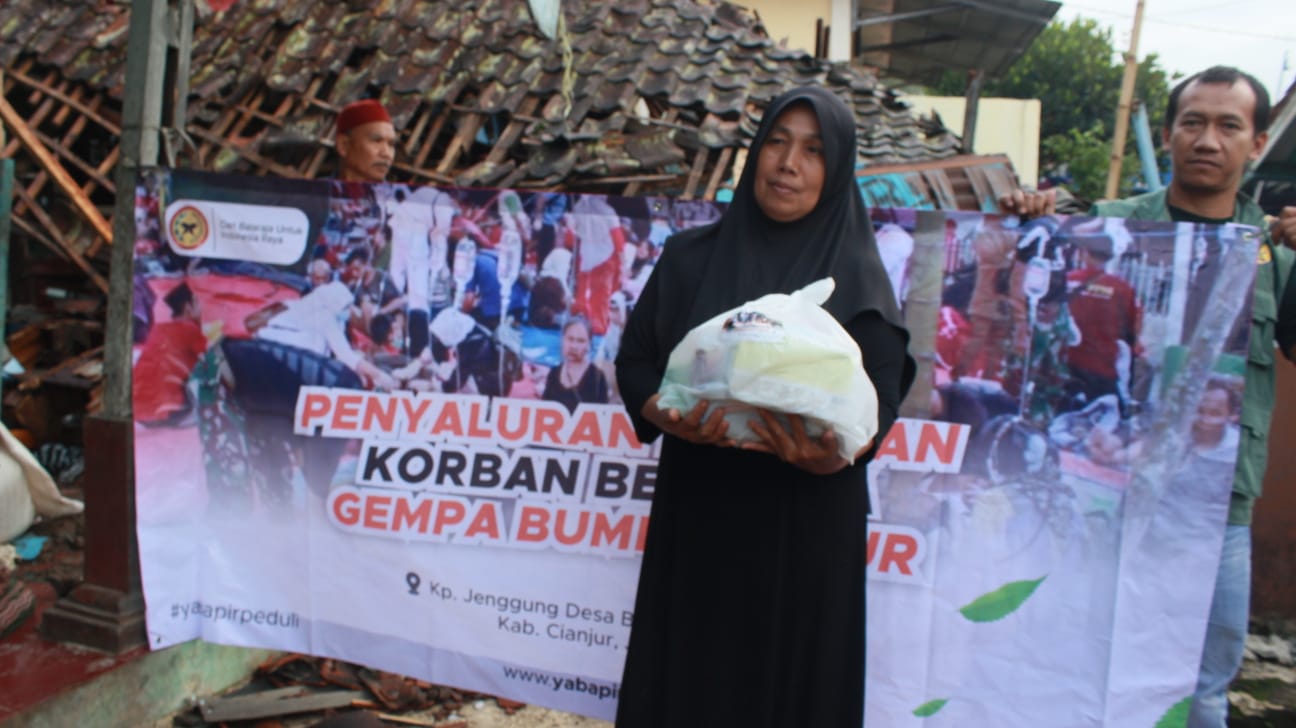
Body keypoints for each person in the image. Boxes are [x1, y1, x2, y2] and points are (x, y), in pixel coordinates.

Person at [613, 86, 914, 727]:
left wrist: (835, 457)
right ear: (754, 156)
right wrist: (662, 413)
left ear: (837, 171)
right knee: (691, 685)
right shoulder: (689, 260)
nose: (788, 164)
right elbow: (636, 361)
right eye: (776, 142)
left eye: (813, 150)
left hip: (805, 531)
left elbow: (882, 401)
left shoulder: (859, 277)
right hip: (702, 516)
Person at [1087, 66, 1296, 728]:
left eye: (1228, 125)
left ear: (1257, 143)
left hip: (1218, 504)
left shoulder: (1278, 256)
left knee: (1202, 684)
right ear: (1172, 133)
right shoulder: (1106, 230)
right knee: (1083, 654)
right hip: (1106, 483)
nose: (1208, 139)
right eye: (1193, 122)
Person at [1064, 233, 1142, 410]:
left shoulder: (1068, 281)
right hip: (1101, 368)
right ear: (1108, 257)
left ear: (1084, 253)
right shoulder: (1123, 289)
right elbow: (1132, 330)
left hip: (1066, 365)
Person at [133, 280, 208, 424]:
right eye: (198, 303)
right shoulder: (190, 329)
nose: (203, 308)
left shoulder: (158, 330)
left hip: (141, 415)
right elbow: (209, 356)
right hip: (172, 414)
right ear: (188, 308)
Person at [542, 316, 610, 412]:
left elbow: (603, 416)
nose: (574, 346)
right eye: (570, 339)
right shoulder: (554, 373)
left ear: (589, 344)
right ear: (562, 339)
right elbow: (543, 411)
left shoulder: (597, 377)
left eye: (580, 341)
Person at [334, 99, 395, 184]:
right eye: (376, 141)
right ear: (344, 145)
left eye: (391, 144)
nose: (387, 154)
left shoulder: (400, 197)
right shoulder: (315, 193)